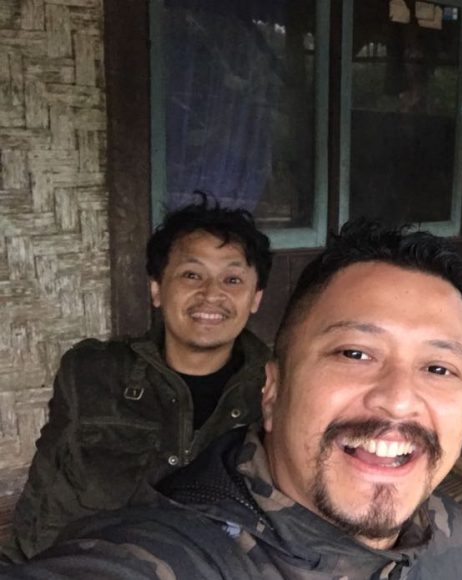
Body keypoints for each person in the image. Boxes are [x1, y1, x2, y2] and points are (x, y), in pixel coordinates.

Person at [2, 221, 462, 579]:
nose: (398, 400)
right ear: (273, 391)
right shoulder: (94, 372)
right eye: (354, 353)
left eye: (439, 368)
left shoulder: (455, 539)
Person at [1, 197, 272, 563]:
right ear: (157, 288)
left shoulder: (277, 392)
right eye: (192, 275)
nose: (212, 293)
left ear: (255, 298)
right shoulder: (92, 374)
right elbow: (42, 500)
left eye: (233, 279)